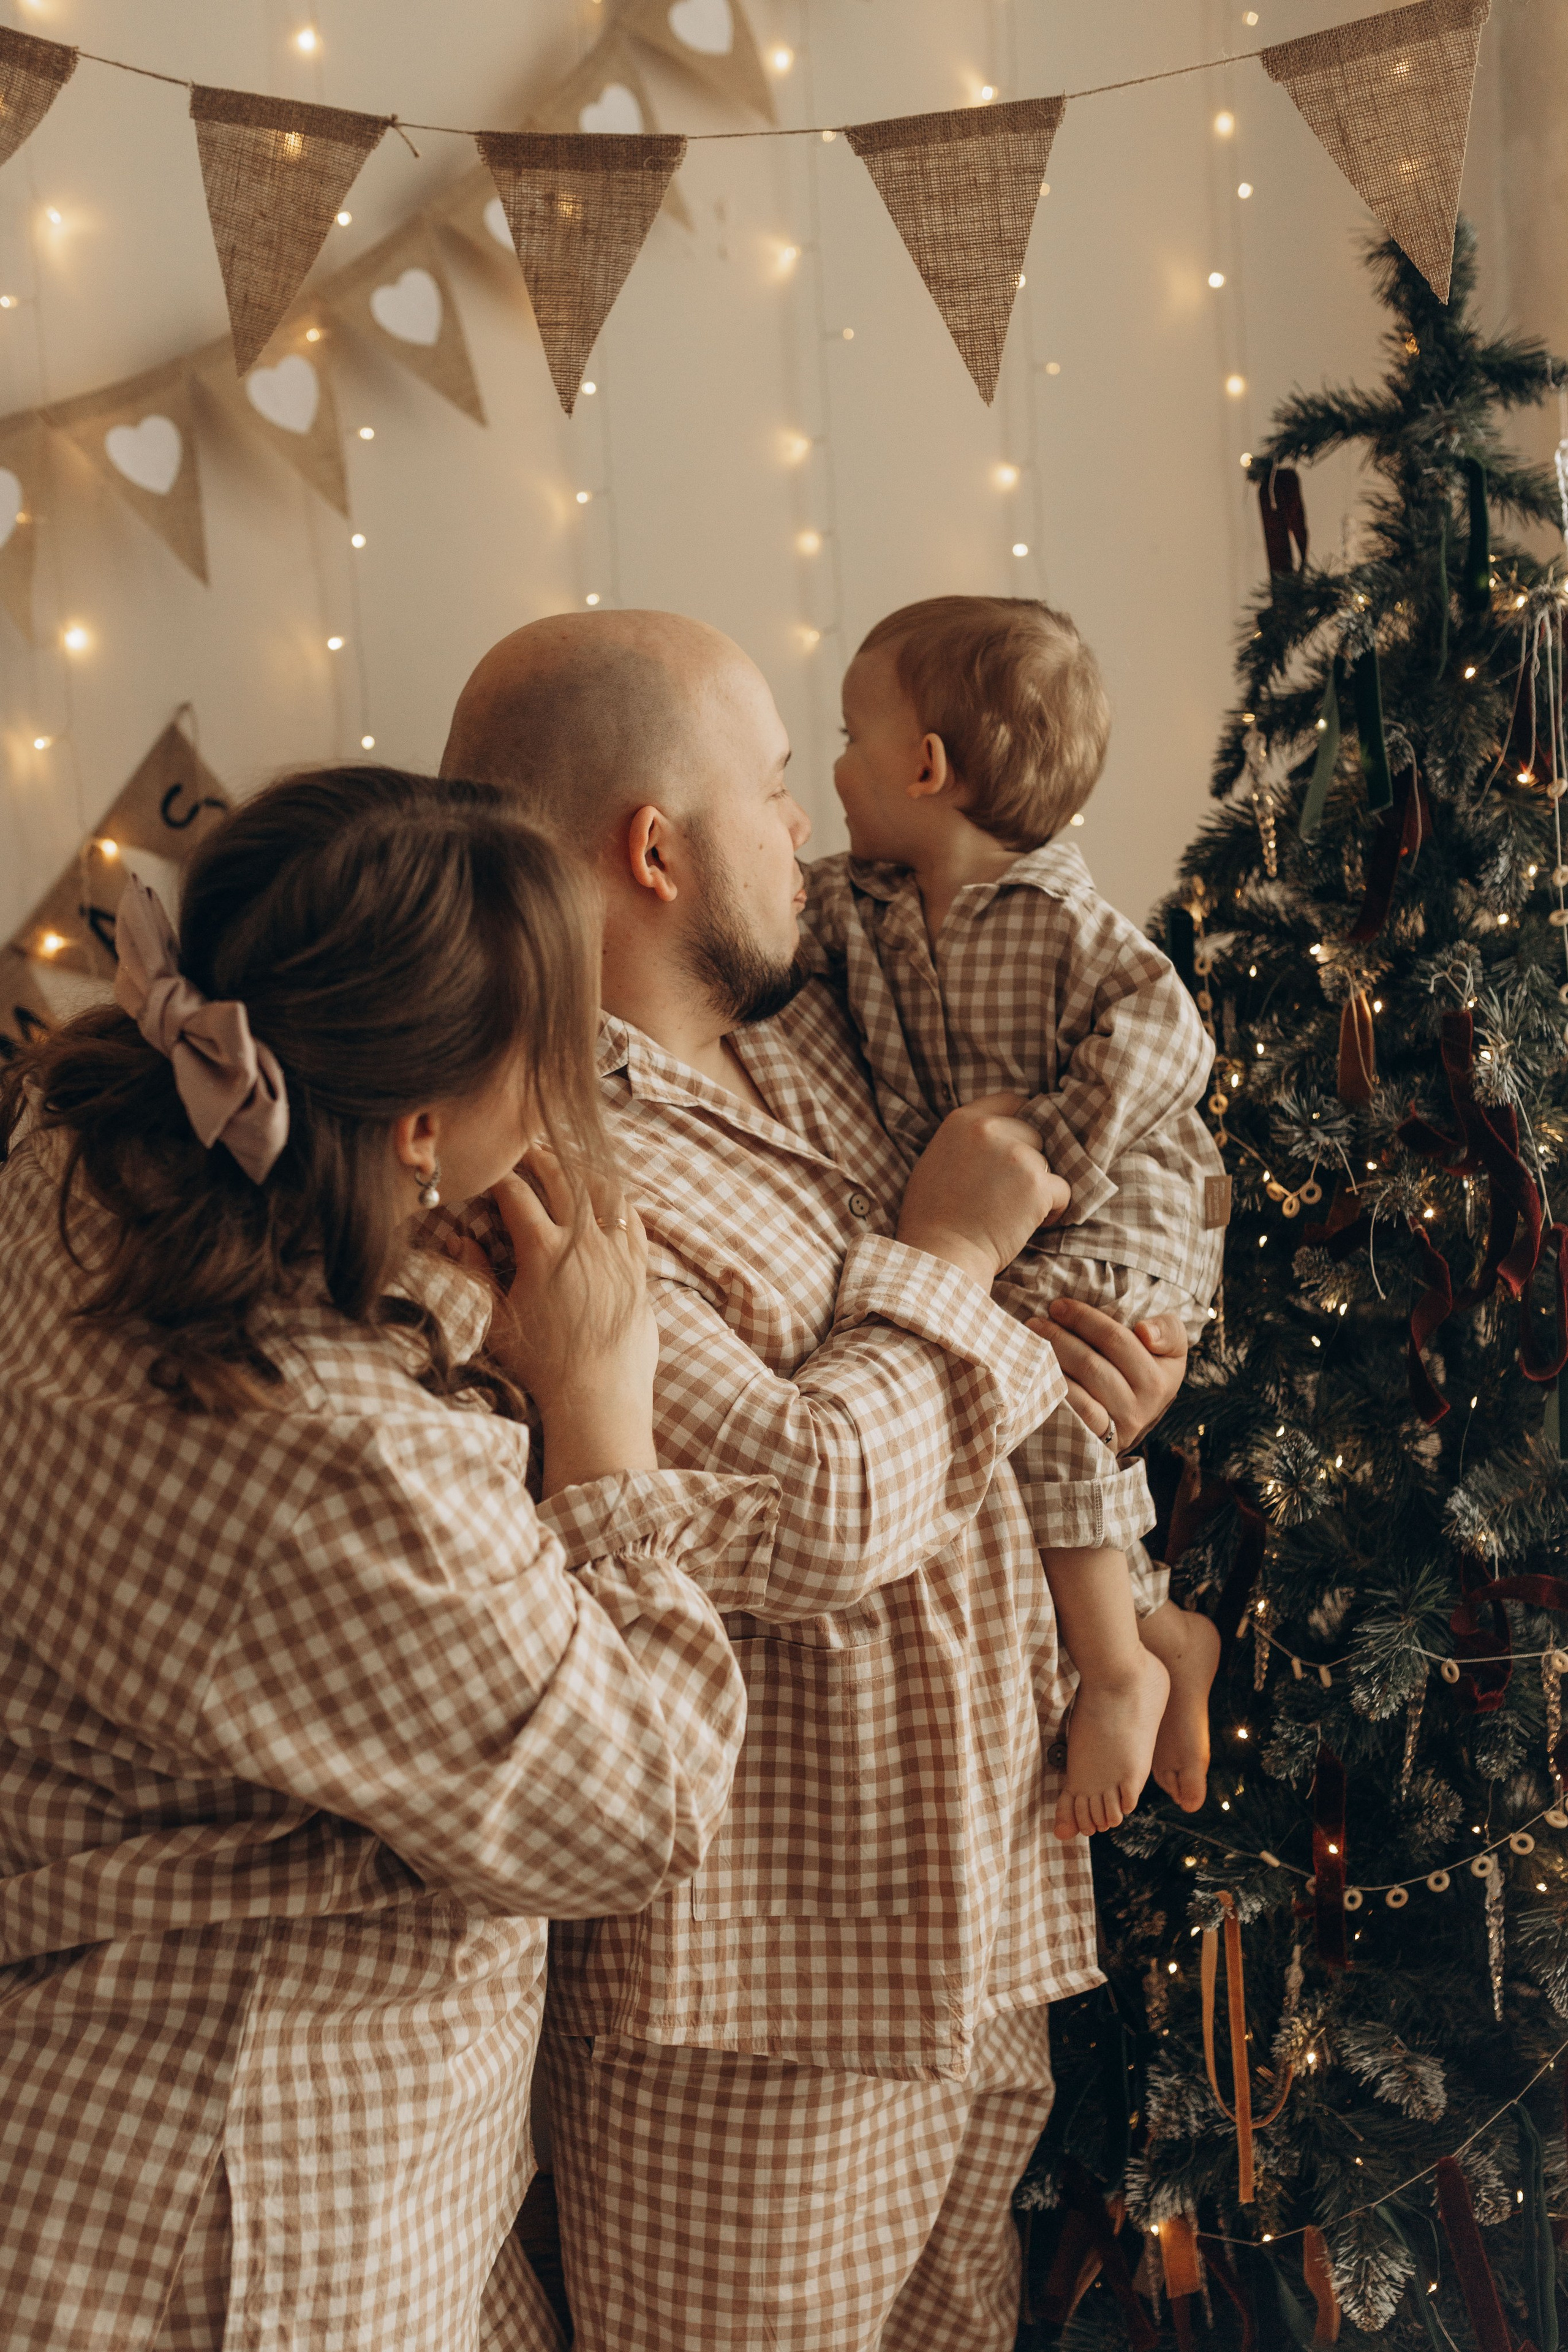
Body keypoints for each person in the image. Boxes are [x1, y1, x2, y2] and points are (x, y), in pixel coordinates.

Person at [440, 614, 1189, 2352]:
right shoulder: (536, 1154)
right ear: (653, 848)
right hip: (766, 2000)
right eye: (774, 792)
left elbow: (1002, 1346)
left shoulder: (814, 1043)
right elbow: (809, 1506)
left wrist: (1104, 1355)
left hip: (984, 1918)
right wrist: (948, 1260)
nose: (809, 833)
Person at [0, 766, 767, 2352]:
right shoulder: (338, 1460)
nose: (571, 1101)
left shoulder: (77, 1165)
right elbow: (637, 1809)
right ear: (422, 1121)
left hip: (89, 2099)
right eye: (553, 1060)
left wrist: (415, 1243)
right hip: (249, 2209)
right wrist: (604, 1426)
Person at [810, 595, 1226, 1839]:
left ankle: (1115, 1671)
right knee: (1015, 1397)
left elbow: (1167, 1036)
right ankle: (1161, 1627)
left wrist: (1055, 1151)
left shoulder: (1063, 921)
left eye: (844, 736)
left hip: (1113, 1208)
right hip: (1012, 1222)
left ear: (925, 766)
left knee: (1038, 1386)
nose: (827, 767)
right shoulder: (861, 905)